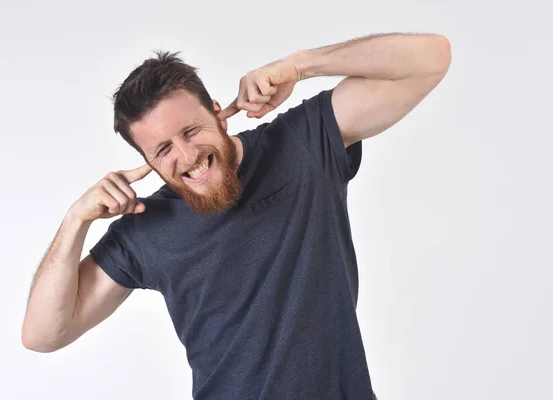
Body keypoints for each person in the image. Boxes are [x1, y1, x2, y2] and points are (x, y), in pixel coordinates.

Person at [22, 32, 451, 399]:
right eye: (163, 149)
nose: (188, 156)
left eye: (191, 130)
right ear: (146, 160)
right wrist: (75, 220)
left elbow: (431, 58)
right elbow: (43, 335)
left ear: (218, 112)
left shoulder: (303, 145)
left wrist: (298, 66)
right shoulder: (144, 229)